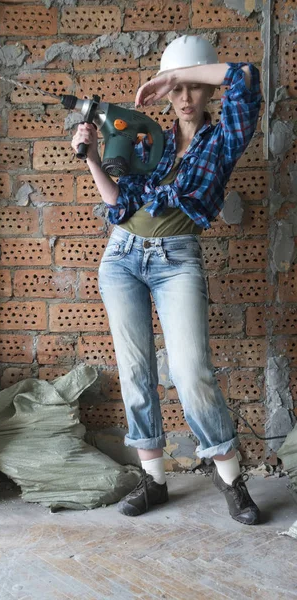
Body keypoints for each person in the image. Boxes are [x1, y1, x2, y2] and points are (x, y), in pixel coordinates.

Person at [71, 35, 262, 525]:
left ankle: (231, 481)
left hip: (177, 259)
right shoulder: (145, 139)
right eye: (176, 88)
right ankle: (154, 482)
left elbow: (246, 80)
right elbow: (119, 204)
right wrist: (92, 156)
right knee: (135, 373)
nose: (183, 98)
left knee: (190, 371)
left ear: (204, 89)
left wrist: (178, 74)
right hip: (122, 257)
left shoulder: (223, 138)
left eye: (193, 86)